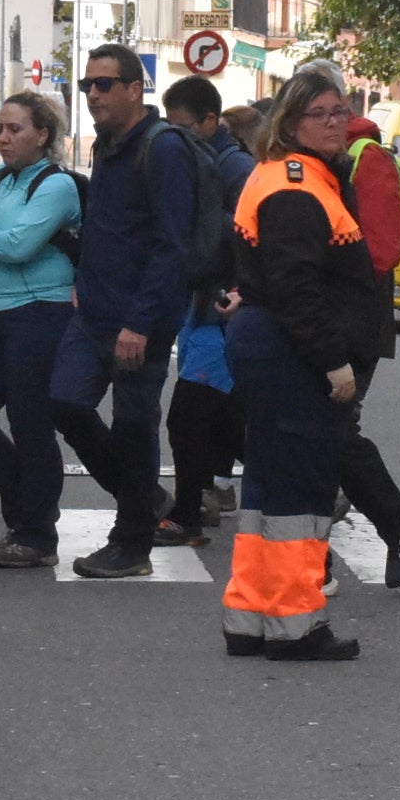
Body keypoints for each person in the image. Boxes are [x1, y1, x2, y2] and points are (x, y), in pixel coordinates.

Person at [221, 68, 390, 658]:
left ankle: (249, 617)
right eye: (320, 113)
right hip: (290, 349)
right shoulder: (298, 185)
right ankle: (297, 625)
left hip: (269, 341)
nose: (335, 122)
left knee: (267, 483)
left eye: (341, 111)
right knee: (301, 487)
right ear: (290, 124)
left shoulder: (289, 175)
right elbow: (296, 285)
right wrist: (334, 363)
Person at [56, 46, 197, 578]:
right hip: (93, 313)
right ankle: (145, 501)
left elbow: (170, 245)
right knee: (63, 401)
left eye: (104, 84)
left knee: (135, 426)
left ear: (136, 89)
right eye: (87, 84)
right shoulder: (107, 145)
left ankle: (132, 544)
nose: (92, 93)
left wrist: (139, 322)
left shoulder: (163, 150)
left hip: (140, 322)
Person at [0, 91, 83, 570]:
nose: (2, 138)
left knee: (30, 426)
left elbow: (18, 245)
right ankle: (26, 504)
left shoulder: (56, 185)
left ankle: (36, 533)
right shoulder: (0, 178)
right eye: (0, 129)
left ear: (42, 135)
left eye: (14, 129)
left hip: (41, 314)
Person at [329, 98, 400, 583]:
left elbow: (382, 251)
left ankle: (397, 525)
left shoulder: (366, 158)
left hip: (351, 322)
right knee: (313, 436)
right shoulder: (314, 160)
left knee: (334, 433)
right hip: (314, 318)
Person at [159, 75, 254, 546]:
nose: (174, 136)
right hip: (202, 308)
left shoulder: (234, 169)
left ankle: (188, 516)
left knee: (190, 418)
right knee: (223, 422)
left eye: (183, 126)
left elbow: (250, 238)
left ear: (211, 121)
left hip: (222, 311)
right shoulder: (200, 159)